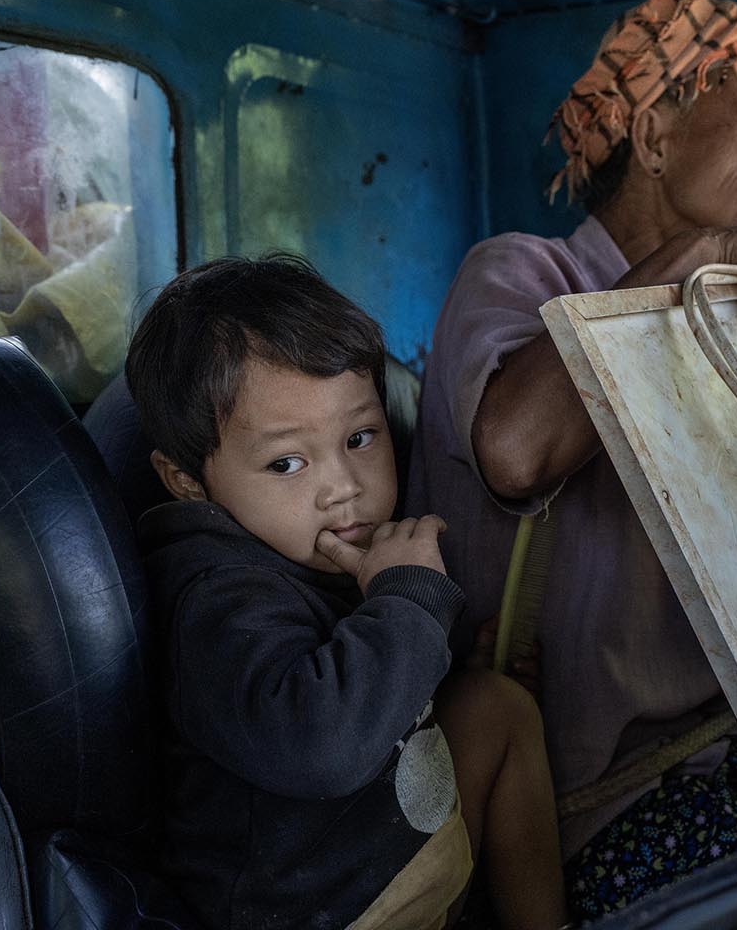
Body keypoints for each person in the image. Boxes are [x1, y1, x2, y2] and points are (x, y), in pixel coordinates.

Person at [406, 0, 737, 920]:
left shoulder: (731, 316)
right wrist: (703, 257)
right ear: (656, 139)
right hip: (594, 812)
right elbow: (515, 449)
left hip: (736, 761)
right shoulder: (523, 272)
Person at [126, 253, 565, 930]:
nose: (343, 486)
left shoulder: (305, 551)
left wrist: (435, 666)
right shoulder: (214, 596)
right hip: (310, 911)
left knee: (495, 708)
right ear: (186, 480)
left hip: (376, 864)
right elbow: (324, 745)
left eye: (360, 437)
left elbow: (370, 688)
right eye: (287, 462)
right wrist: (409, 600)